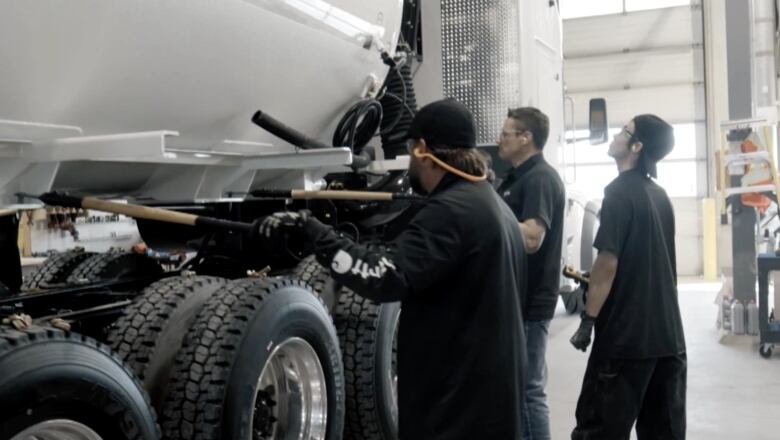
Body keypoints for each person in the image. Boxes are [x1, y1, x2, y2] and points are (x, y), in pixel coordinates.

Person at [259, 99, 528, 440]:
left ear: (422, 150)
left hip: (458, 405)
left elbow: (385, 278)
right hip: (488, 399)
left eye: (409, 147)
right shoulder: (492, 205)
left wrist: (316, 234)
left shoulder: (451, 211)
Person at [569, 114, 687, 439]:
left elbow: (607, 265)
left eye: (625, 131)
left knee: (599, 431)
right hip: (669, 340)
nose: (616, 135)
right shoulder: (660, 196)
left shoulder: (618, 193)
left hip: (626, 341)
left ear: (636, 146)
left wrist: (587, 321)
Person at [495, 107, 565, 440]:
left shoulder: (539, 178)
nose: (499, 139)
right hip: (515, 299)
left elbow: (533, 238)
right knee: (518, 388)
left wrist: (490, 221)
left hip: (530, 299)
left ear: (526, 138)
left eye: (506, 133)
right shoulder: (516, 177)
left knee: (528, 390)